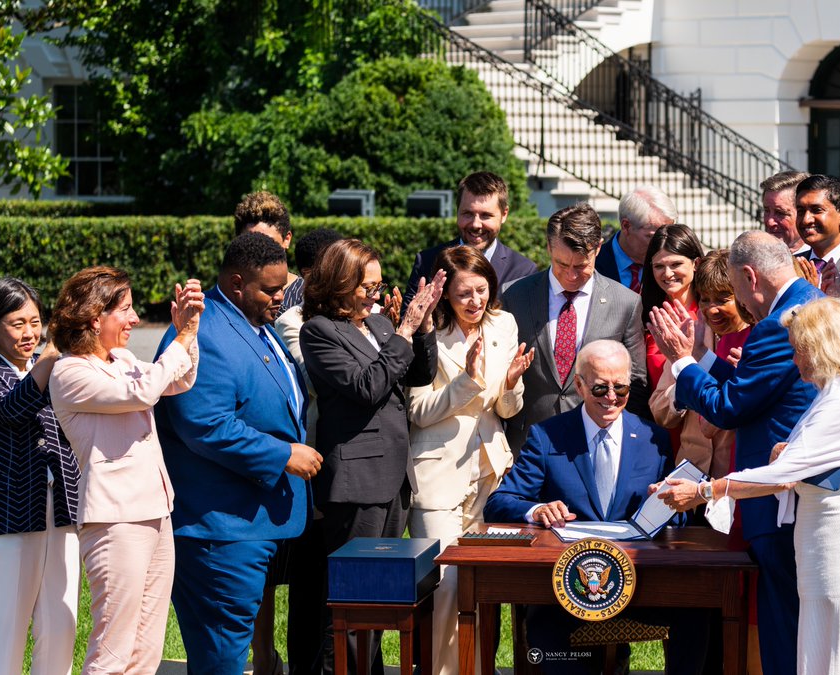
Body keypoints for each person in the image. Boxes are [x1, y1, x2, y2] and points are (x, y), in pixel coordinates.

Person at [658, 297, 840, 675]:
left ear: (822, 348)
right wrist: (789, 453)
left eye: (800, 351)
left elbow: (781, 475)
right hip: (829, 548)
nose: (794, 361)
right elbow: (806, 463)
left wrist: (705, 491)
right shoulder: (836, 394)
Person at [646, 230, 826, 675]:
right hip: (803, 488)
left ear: (748, 276)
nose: (741, 304)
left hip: (778, 494)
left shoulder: (775, 324)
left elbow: (729, 407)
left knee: (784, 620)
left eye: (736, 290)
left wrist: (683, 361)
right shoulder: (817, 302)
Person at [484, 340, 708, 674]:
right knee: (558, 648)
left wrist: (672, 501)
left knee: (697, 611)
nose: (611, 398)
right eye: (601, 387)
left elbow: (682, 515)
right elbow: (499, 503)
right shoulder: (548, 437)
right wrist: (537, 510)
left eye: (621, 388)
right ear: (579, 385)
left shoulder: (652, 438)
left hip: (640, 585)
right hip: (565, 590)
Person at [154, 232, 321, 675]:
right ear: (235, 284)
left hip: (248, 521)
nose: (280, 296)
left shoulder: (251, 324)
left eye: (282, 286)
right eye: (269, 289)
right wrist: (282, 453)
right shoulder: (204, 334)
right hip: (219, 530)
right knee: (222, 656)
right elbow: (204, 424)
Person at [300, 238, 445, 673]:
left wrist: (423, 328)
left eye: (379, 285)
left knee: (382, 598)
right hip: (356, 483)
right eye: (367, 285)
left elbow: (418, 372)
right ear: (339, 282)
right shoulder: (320, 331)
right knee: (348, 600)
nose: (375, 294)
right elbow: (367, 388)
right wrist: (403, 330)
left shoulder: (380, 325)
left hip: (394, 478)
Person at [48, 267, 203, 673]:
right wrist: (181, 337)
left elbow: (180, 380)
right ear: (95, 318)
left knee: (146, 647)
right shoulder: (69, 372)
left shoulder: (123, 358)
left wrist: (191, 330)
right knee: (113, 648)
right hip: (114, 520)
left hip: (156, 510)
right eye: (126, 310)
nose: (135, 320)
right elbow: (144, 391)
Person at [405, 245, 534, 675]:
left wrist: (513, 383)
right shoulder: (427, 332)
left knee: (485, 588)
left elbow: (505, 408)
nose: (475, 301)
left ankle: (479, 668)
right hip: (437, 476)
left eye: (482, 291)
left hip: (491, 473)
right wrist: (466, 381)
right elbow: (417, 411)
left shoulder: (504, 323)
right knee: (447, 588)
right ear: (445, 295)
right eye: (464, 294)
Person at [0, 278, 80, 675]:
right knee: (7, 630)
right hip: (7, 518)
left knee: (62, 626)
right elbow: (12, 409)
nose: (30, 333)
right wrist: (52, 354)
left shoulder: (57, 370)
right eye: (17, 323)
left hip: (61, 511)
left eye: (36, 321)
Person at [501, 203, 649, 453]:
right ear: (548, 247)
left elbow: (635, 380)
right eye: (561, 264)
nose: (570, 275)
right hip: (528, 444)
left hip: (596, 445)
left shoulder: (625, 303)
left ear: (598, 248)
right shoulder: (515, 296)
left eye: (581, 266)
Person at [268, 226, 344, 675]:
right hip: (312, 464)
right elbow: (325, 382)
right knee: (311, 578)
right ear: (310, 273)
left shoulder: (358, 313)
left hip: (348, 466)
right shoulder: (294, 320)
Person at [648, 249, 748, 478]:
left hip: (735, 477)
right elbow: (660, 411)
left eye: (723, 299)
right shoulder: (692, 336)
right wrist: (685, 383)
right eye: (705, 299)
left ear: (742, 296)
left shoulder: (756, 341)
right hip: (690, 474)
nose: (712, 309)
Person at [404, 171, 538, 306]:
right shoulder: (427, 262)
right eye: (468, 214)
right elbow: (408, 322)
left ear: (504, 214)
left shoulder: (523, 271)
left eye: (485, 215)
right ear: (457, 211)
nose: (475, 224)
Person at [640, 223, 703, 388]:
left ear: (696, 263)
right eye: (659, 266)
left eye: (676, 264)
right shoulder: (642, 313)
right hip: (657, 410)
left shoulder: (713, 312)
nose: (667, 274)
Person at [594, 185, 678, 291]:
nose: (663, 244)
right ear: (626, 226)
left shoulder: (675, 267)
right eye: (653, 237)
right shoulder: (592, 265)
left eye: (669, 234)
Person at [235, 190, 299, 298]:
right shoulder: (228, 296)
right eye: (252, 243)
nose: (260, 252)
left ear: (286, 239)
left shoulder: (305, 298)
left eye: (270, 243)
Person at [761, 170, 811, 255]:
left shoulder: (822, 262)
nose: (770, 222)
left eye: (780, 213)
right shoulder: (755, 259)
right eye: (767, 211)